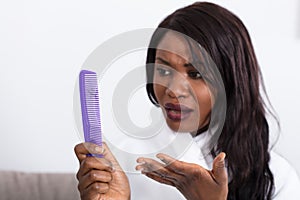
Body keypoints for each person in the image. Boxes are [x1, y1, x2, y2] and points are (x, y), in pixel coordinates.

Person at [74, 2, 300, 200]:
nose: (173, 90)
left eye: (196, 74)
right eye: (163, 71)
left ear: (231, 81)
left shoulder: (277, 178)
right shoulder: (120, 162)